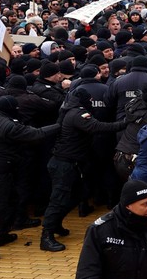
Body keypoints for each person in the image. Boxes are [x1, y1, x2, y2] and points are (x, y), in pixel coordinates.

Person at [0, 96, 58, 261]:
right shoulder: (8, 125)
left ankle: (2, 234)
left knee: (12, 200)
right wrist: (59, 126)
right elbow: (36, 134)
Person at [40, 86, 128, 252]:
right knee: (58, 200)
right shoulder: (78, 114)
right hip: (65, 164)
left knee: (76, 196)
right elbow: (97, 127)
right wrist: (124, 123)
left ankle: (56, 223)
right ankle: (46, 235)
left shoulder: (67, 109)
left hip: (70, 162)